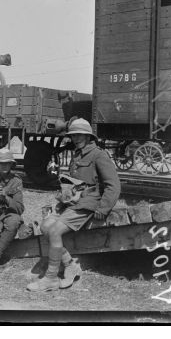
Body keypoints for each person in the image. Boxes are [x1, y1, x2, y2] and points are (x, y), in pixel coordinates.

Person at [27, 118, 121, 292]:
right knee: (45, 226)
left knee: (55, 231)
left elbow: (113, 185)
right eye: (73, 135)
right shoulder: (77, 154)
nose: (76, 138)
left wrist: (103, 208)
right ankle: (70, 265)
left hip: (88, 203)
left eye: (80, 135)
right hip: (72, 202)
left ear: (88, 136)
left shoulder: (99, 155)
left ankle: (51, 278)